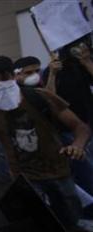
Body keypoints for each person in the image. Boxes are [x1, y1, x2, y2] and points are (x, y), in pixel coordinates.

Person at [0, 56, 91, 228]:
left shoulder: (40, 97)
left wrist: (77, 146)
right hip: (25, 180)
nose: (1, 84)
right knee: (43, 226)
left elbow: (80, 127)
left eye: (5, 78)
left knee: (73, 221)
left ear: (13, 76)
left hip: (58, 172)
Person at [43, 36, 93, 197]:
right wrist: (52, 74)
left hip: (89, 122)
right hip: (70, 129)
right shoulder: (52, 70)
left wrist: (87, 62)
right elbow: (49, 98)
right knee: (86, 170)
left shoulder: (81, 65)